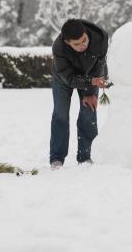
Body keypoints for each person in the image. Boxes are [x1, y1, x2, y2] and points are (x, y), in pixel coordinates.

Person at [50, 18, 109, 169]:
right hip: (64, 78)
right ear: (67, 42)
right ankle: (57, 158)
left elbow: (99, 67)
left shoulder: (100, 38)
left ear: (85, 32)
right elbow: (69, 78)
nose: (83, 45)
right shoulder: (58, 48)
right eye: (77, 44)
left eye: (84, 40)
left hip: (91, 76)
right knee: (60, 114)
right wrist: (92, 82)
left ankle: (86, 157)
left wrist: (91, 92)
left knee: (89, 110)